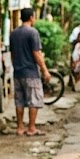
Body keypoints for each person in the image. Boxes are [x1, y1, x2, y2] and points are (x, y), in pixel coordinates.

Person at [10, 8, 51, 136]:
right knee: (34, 99)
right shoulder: (33, 32)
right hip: (30, 72)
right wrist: (44, 70)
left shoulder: (14, 33)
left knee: (19, 100)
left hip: (18, 72)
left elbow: (12, 54)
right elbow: (36, 53)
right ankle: (31, 127)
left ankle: (20, 127)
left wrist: (16, 65)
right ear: (32, 17)